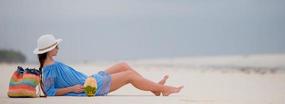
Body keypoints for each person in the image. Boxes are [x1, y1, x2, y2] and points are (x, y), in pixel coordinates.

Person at [33, 34, 183, 96]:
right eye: (55, 46)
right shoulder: (48, 70)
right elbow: (49, 91)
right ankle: (164, 89)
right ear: (48, 50)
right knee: (129, 76)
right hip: (90, 88)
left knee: (123, 65)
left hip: (90, 79)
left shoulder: (52, 64)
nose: (58, 48)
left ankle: (154, 89)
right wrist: (72, 89)